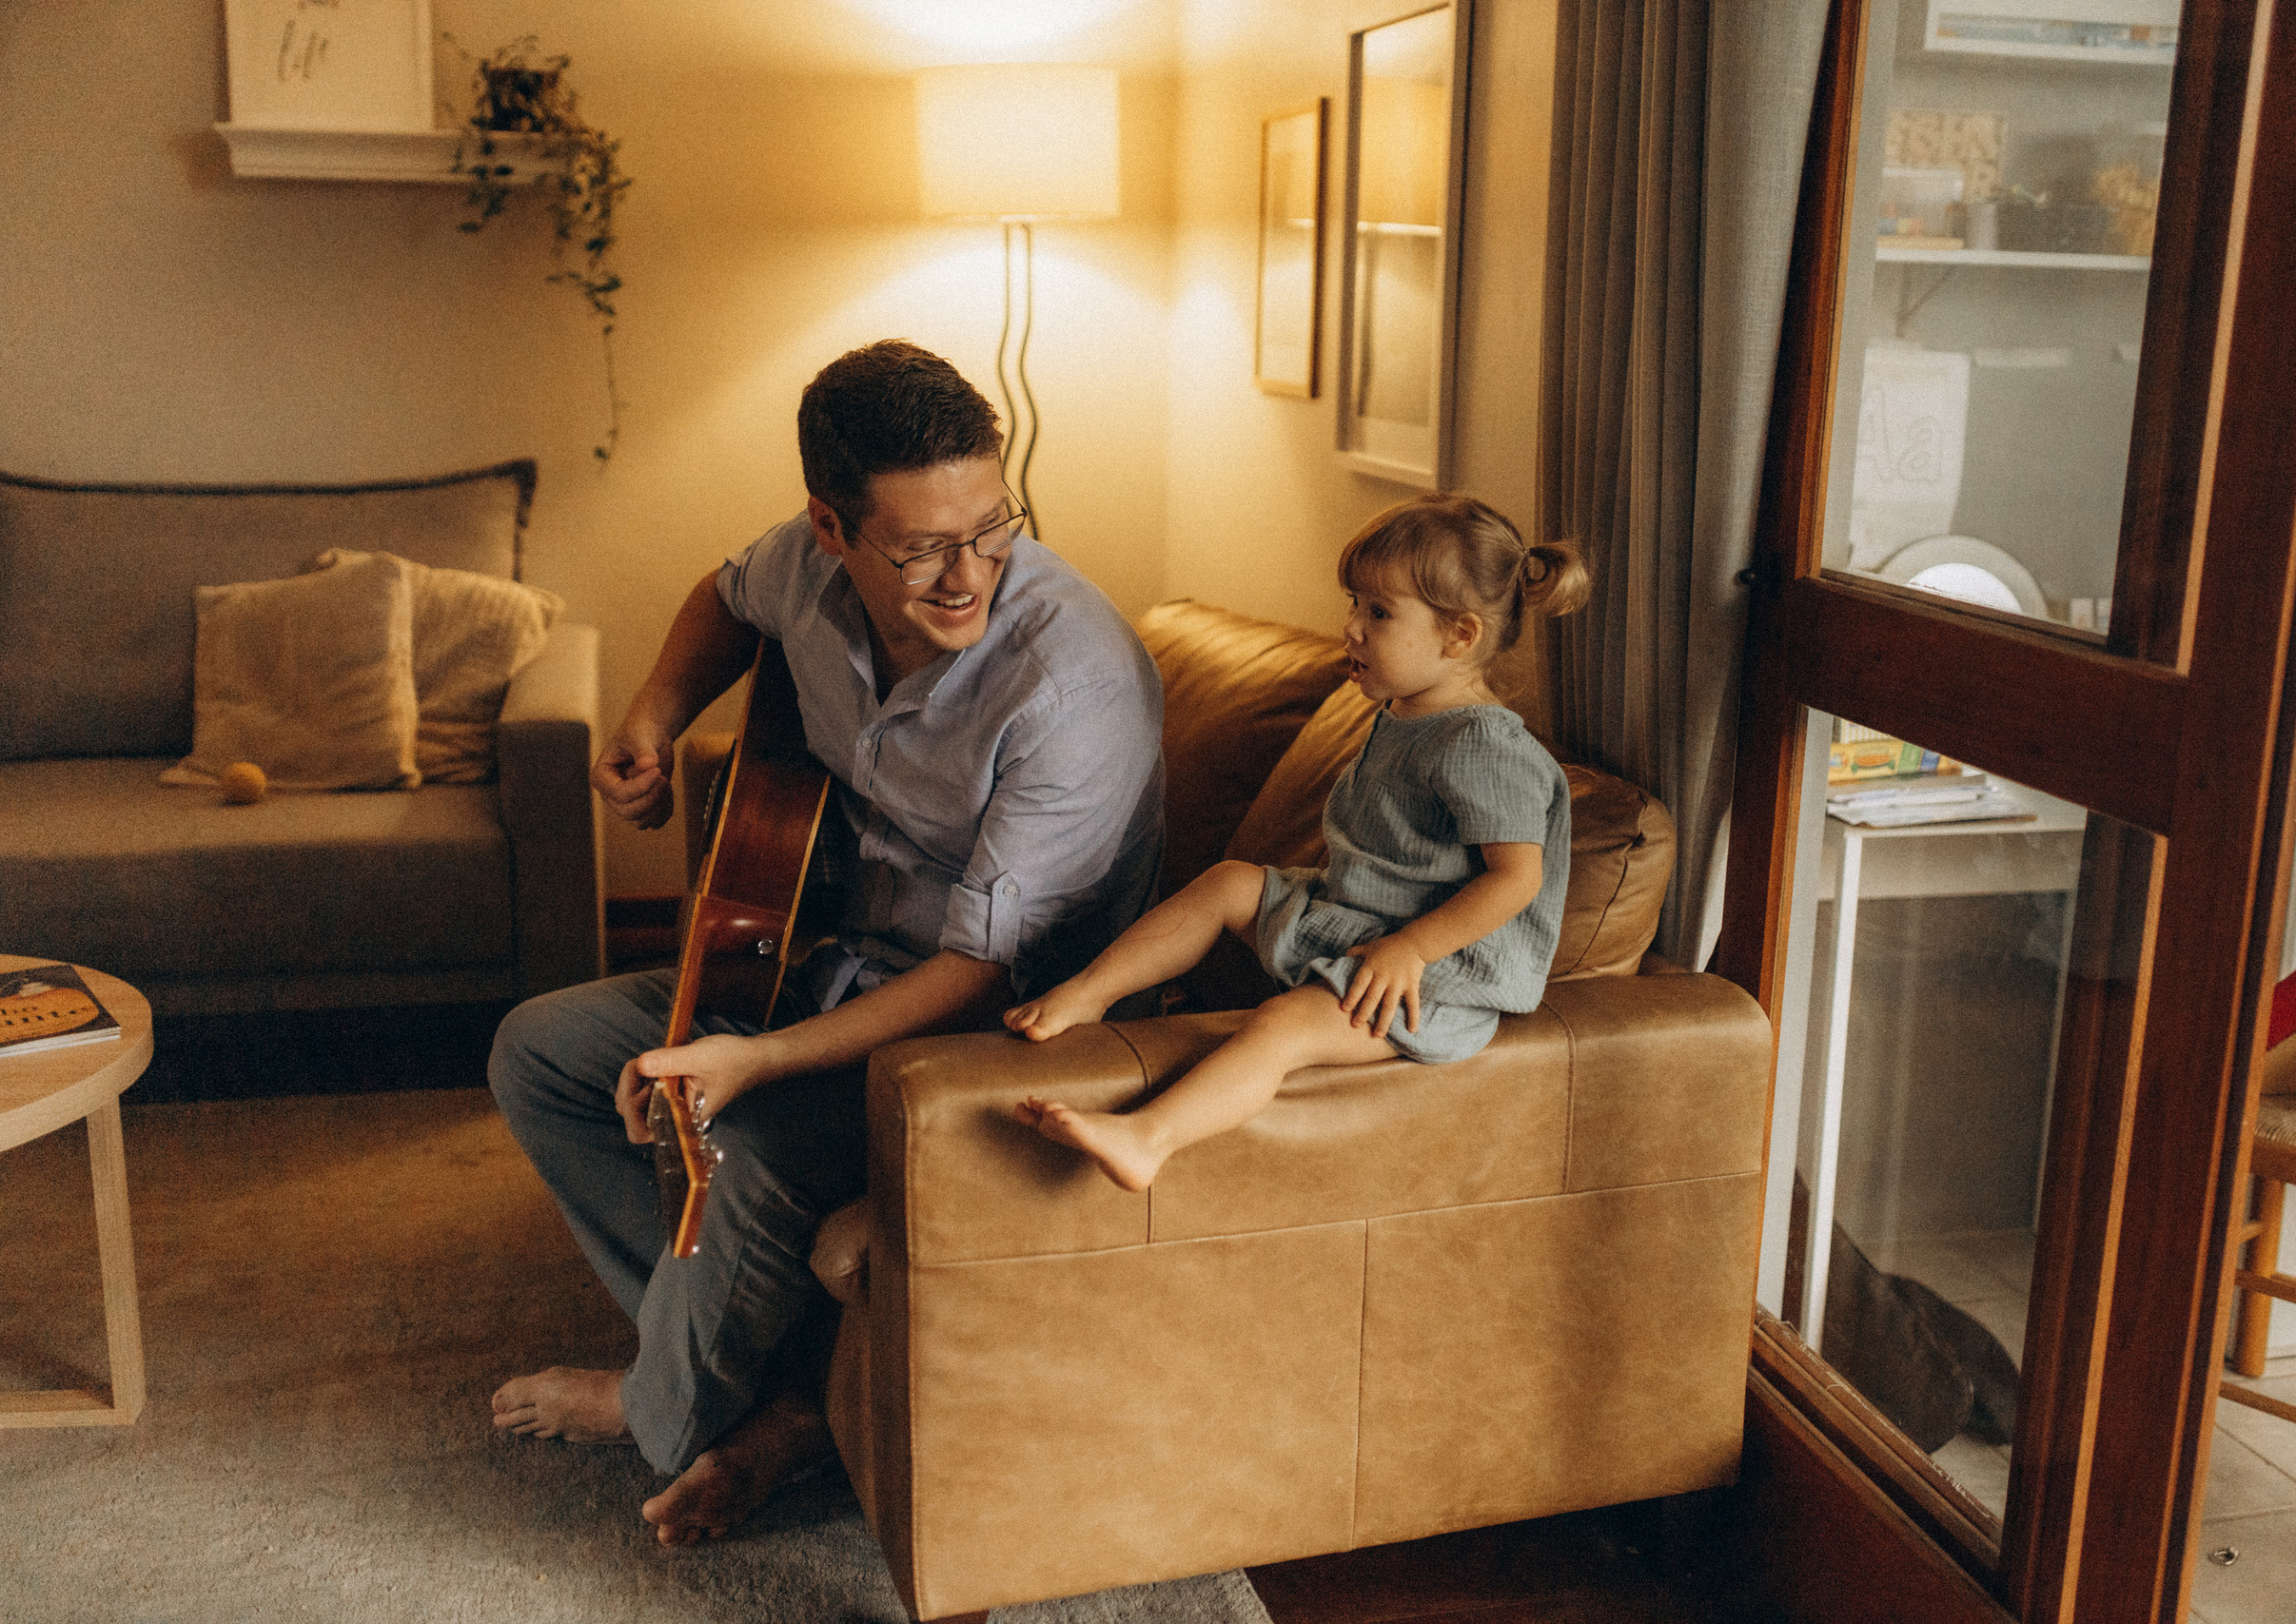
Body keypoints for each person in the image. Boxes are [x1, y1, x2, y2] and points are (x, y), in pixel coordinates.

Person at [485, 340, 1164, 1545]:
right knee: (541, 1051)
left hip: (996, 1030)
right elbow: (721, 596)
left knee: (730, 1136)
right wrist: (649, 717)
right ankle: (763, 1379)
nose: (971, 576)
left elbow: (979, 975)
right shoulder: (798, 569)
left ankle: (665, 1409)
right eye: (919, 548)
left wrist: (755, 1059)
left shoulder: (1075, 684)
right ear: (830, 528)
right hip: (824, 956)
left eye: (992, 527)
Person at [1006, 494, 1586, 1192]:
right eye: (1354, 603)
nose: (1352, 629)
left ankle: (1148, 1137)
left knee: (1283, 1024)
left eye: (1379, 612)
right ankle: (1090, 993)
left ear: (1458, 636)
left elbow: (1516, 878)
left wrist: (1412, 948)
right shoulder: (1407, 710)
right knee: (1227, 883)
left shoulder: (1485, 745)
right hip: (1363, 921)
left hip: (1434, 981)